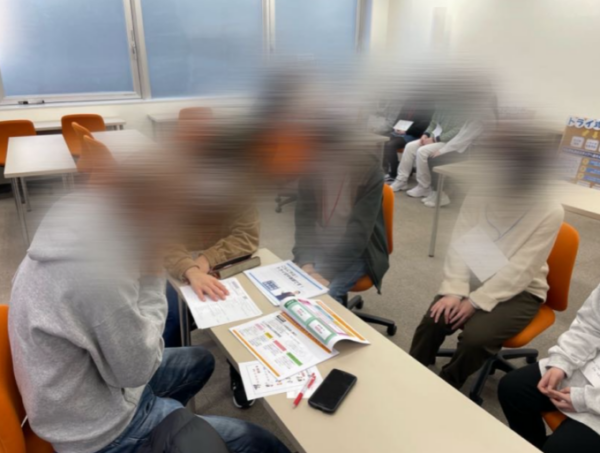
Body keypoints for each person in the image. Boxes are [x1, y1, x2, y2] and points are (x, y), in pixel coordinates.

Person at [8, 154, 289, 453]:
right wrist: (154, 274)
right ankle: (158, 431)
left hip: (90, 388)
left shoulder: (81, 227)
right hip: (99, 428)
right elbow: (136, 371)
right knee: (257, 441)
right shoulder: (99, 275)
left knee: (200, 360)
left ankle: (170, 425)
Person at [409, 125, 564, 390]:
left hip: (522, 288)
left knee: (476, 339)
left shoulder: (550, 210)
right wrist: (454, 290)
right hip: (480, 269)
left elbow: (521, 270)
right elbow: (461, 243)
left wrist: (475, 302)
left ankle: (447, 385)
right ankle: (411, 369)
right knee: (435, 319)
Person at [498, 284, 600, 453]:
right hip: (591, 370)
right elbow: (590, 326)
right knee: (513, 388)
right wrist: (562, 362)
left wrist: (586, 400)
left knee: (560, 448)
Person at [292, 133, 389, 303]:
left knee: (322, 297)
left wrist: (324, 272)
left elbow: (359, 232)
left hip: (361, 250)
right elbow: (304, 219)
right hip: (321, 244)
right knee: (295, 288)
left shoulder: (368, 171)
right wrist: (306, 261)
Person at [380, 96, 433, 182]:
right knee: (383, 140)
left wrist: (407, 130)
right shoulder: (408, 101)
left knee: (390, 145)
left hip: (414, 133)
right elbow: (400, 117)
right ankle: (392, 169)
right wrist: (396, 127)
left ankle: (394, 173)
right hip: (401, 131)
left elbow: (423, 125)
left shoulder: (428, 105)